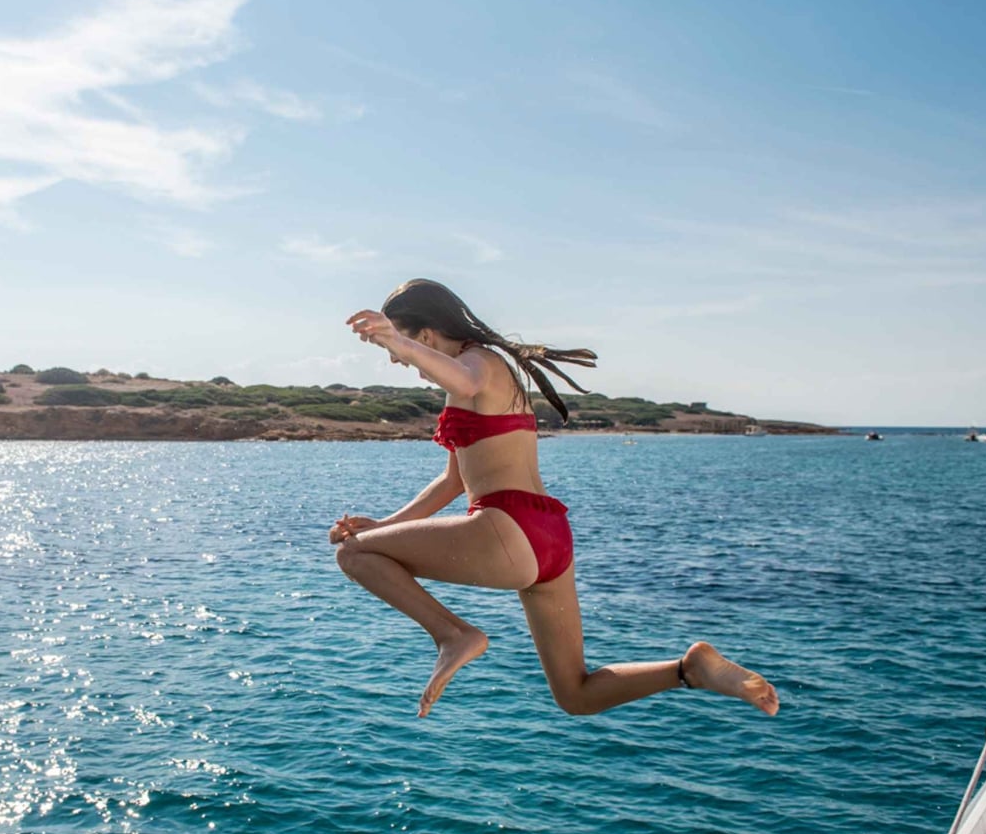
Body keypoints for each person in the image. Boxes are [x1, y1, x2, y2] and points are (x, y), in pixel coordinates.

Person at [331, 279, 780, 719]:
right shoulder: (482, 377)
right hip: (548, 537)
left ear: (425, 335)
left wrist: (398, 340)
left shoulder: (479, 364)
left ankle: (453, 635)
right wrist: (385, 525)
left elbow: (465, 383)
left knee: (352, 555)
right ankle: (688, 669)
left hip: (506, 528)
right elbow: (453, 481)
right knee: (576, 695)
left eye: (397, 346)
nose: (394, 358)